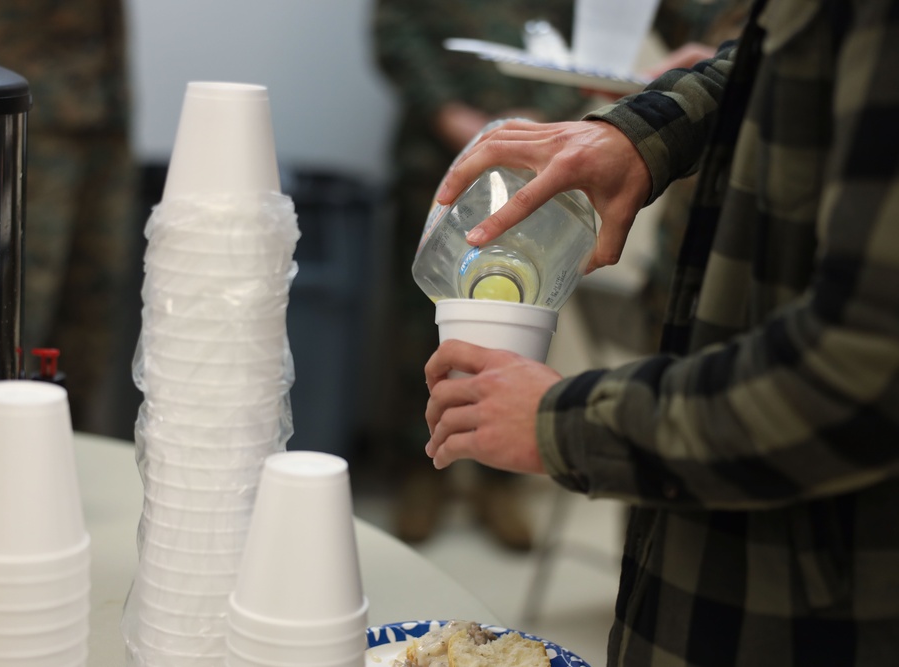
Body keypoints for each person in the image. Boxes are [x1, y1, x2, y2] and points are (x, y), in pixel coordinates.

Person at [423, 0, 899, 664]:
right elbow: (768, 65)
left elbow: (861, 373)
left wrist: (565, 423)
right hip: (707, 550)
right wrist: (640, 133)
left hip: (805, 609)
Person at [372, 0, 590, 550]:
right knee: (419, 326)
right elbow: (394, 26)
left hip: (536, 164)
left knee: (522, 316)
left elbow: (576, 44)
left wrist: (537, 121)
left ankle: (499, 476)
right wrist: (448, 113)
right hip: (437, 161)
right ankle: (423, 468)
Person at [0, 0, 138, 433]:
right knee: (8, 323)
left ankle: (60, 469)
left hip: (101, 101)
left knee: (89, 323)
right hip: (14, 103)